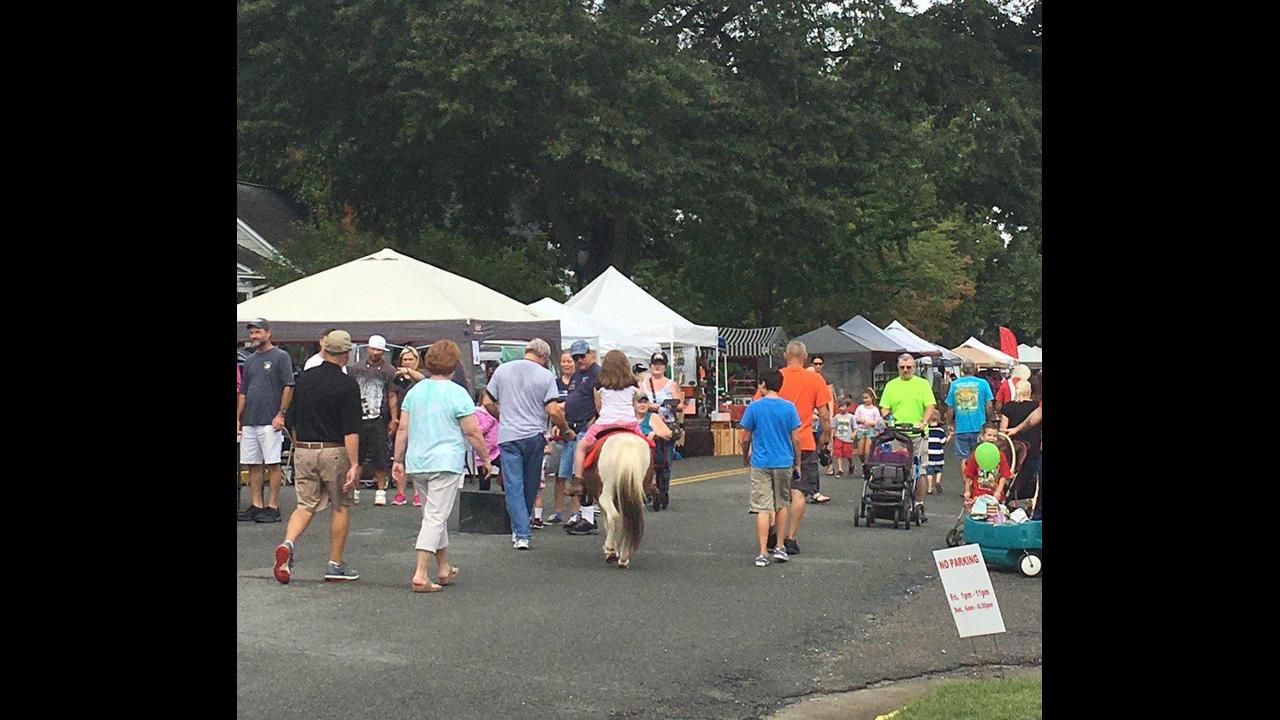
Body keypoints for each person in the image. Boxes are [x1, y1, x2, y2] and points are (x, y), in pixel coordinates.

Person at [392, 340, 494, 592]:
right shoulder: (458, 392)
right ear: (454, 364)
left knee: (432, 515)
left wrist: (397, 459)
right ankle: (421, 574)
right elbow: (472, 431)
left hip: (418, 460)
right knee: (436, 517)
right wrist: (486, 458)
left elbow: (403, 428)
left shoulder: (415, 391)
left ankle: (444, 567)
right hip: (446, 461)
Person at [272, 330, 361, 584]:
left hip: (304, 449)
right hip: (334, 450)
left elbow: (292, 418)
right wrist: (354, 464)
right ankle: (335, 564)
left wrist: (299, 445)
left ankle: (288, 544)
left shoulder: (305, 379)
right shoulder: (347, 385)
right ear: (346, 353)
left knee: (305, 504)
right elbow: (351, 429)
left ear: (325, 349)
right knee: (340, 505)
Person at [482, 338, 572, 550]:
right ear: (545, 357)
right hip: (534, 435)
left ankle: (520, 532)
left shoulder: (502, 371)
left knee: (513, 484)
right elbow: (552, 410)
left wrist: (502, 416)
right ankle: (523, 527)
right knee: (531, 484)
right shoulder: (546, 376)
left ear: (527, 351)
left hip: (509, 435)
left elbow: (487, 401)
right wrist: (566, 429)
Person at [757, 340, 832, 557]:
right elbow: (825, 415)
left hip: (773, 443)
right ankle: (790, 537)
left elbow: (759, 405)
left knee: (773, 490)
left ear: (785, 355)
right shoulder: (815, 379)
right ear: (806, 356)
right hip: (804, 440)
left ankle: (773, 530)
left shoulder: (774, 378)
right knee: (798, 490)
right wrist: (825, 440)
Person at [740, 369, 800, 567]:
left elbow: (746, 436)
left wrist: (745, 455)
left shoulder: (755, 407)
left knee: (762, 507)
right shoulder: (789, 407)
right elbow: (796, 438)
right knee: (782, 503)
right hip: (783, 460)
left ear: (763, 384)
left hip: (761, 461)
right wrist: (797, 461)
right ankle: (781, 547)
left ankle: (763, 552)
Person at [238, 318, 295, 523]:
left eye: (258, 332)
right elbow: (243, 391)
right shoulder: (251, 360)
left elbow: (289, 385)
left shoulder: (280, 356)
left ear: (268, 333)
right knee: (252, 463)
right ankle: (256, 504)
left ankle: (273, 505)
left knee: (272, 463)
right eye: (252, 333)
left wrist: (281, 413)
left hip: (270, 419)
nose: (254, 336)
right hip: (250, 419)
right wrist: (238, 418)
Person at [570, 350, 643, 485]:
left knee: (580, 447)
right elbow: (634, 404)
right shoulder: (633, 383)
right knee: (648, 446)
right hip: (629, 424)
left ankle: (578, 481)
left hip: (605, 424)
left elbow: (598, 407)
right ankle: (651, 481)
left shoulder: (599, 384)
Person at [879, 353, 937, 521]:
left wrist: (923, 422)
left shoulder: (922, 384)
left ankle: (918, 504)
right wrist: (890, 420)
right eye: (902, 367)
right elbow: (884, 407)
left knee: (920, 470)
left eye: (909, 367)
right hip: (898, 434)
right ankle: (897, 499)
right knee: (897, 469)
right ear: (898, 368)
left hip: (918, 434)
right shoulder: (891, 386)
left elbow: (930, 406)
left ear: (914, 367)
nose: (905, 370)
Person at [350, 334, 399, 507]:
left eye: (379, 350)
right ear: (367, 349)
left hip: (380, 417)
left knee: (381, 455)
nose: (375, 353)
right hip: (359, 416)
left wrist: (394, 419)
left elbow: (392, 395)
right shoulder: (355, 368)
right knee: (357, 456)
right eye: (373, 349)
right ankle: (354, 490)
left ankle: (380, 491)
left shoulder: (389, 370)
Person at [561, 342, 601, 535]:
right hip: (572, 428)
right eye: (575, 358)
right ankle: (579, 515)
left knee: (584, 475)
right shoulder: (577, 375)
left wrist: (590, 427)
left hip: (587, 427)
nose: (578, 361)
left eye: (581, 357)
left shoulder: (597, 374)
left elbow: (599, 405)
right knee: (572, 474)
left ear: (590, 353)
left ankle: (588, 517)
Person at [641, 352, 683, 510]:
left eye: (660, 364)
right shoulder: (643, 384)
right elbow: (636, 402)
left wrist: (668, 405)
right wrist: (649, 406)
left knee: (664, 463)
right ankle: (647, 490)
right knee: (647, 462)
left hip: (666, 426)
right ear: (651, 365)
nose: (657, 367)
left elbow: (680, 405)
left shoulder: (671, 384)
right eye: (655, 364)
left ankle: (663, 492)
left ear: (665, 367)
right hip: (648, 426)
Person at [543, 349, 577, 525]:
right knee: (559, 475)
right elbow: (551, 407)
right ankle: (557, 512)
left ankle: (576, 512)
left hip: (575, 431)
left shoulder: (579, 382)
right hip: (557, 434)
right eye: (563, 361)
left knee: (576, 475)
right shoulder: (554, 384)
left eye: (569, 361)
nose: (566, 364)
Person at [944, 359, 996, 475]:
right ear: (975, 370)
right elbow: (989, 405)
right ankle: (979, 483)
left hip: (962, 427)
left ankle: (967, 487)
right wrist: (990, 420)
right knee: (980, 455)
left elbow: (950, 408)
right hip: (980, 426)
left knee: (964, 458)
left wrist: (949, 424)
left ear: (962, 370)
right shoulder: (983, 384)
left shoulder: (955, 385)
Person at [391, 345, 427, 506]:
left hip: (420, 420)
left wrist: (409, 372)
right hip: (402, 418)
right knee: (400, 457)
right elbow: (392, 396)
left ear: (417, 360)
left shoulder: (422, 375)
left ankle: (418, 493)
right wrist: (394, 418)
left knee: (418, 456)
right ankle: (400, 493)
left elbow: (423, 379)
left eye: (410, 359)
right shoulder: (396, 377)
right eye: (404, 359)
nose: (407, 362)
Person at [1001, 380, 1041, 501]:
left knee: (1012, 475)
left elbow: (1003, 429)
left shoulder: (1008, 406)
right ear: (1029, 391)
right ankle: (1032, 501)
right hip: (1034, 446)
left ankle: (1009, 497)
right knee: (1033, 476)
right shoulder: (1036, 406)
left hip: (1014, 448)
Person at [635, 390, 674, 510]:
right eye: (639, 402)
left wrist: (654, 433)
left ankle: (652, 488)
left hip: (650, 451)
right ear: (634, 404)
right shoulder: (629, 418)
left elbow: (668, 433)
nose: (642, 405)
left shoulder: (652, 417)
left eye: (645, 402)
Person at [962, 425, 1011, 506]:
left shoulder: (1000, 455)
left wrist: (998, 491)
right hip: (978, 494)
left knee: (993, 515)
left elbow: (1004, 475)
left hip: (994, 494)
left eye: (994, 436)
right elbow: (969, 473)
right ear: (982, 437)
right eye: (989, 435)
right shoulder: (976, 454)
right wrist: (967, 490)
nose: (992, 438)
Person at [811, 355, 836, 479]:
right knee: (811, 444)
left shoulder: (825, 379)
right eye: (815, 364)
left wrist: (830, 415)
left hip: (822, 414)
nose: (818, 366)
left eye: (820, 363)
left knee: (825, 443)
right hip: (811, 415)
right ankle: (813, 467)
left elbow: (830, 398)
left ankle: (829, 464)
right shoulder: (808, 378)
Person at [853, 388, 882, 466]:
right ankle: (863, 463)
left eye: (867, 398)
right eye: (864, 398)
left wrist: (870, 423)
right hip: (861, 430)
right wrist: (860, 420)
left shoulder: (875, 409)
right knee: (860, 452)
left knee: (867, 451)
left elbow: (878, 422)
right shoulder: (860, 408)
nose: (865, 400)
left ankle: (868, 465)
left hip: (870, 430)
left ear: (872, 398)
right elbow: (855, 418)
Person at [830, 400, 856, 478]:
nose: (841, 408)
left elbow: (855, 427)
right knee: (838, 453)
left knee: (848, 454)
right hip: (839, 437)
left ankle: (851, 464)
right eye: (840, 406)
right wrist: (832, 437)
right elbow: (834, 427)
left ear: (847, 407)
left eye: (843, 406)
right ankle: (840, 469)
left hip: (848, 438)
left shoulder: (851, 417)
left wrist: (854, 434)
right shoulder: (837, 417)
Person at [924, 417, 949, 494]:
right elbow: (943, 442)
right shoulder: (940, 431)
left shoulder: (926, 430)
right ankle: (937, 481)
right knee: (939, 469)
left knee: (929, 471)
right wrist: (950, 436)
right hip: (938, 453)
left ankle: (929, 488)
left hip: (929, 454)